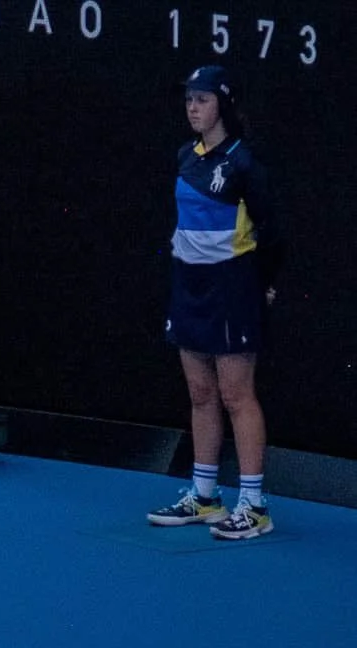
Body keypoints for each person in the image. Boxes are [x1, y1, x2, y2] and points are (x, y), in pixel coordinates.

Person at [147, 65, 281, 541]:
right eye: (188, 100)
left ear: (222, 104)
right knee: (200, 393)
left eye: (201, 100)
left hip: (232, 287)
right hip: (188, 286)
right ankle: (205, 495)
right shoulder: (186, 155)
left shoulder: (245, 163)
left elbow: (272, 229)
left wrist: (264, 283)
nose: (192, 107)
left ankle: (254, 504)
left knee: (235, 394)